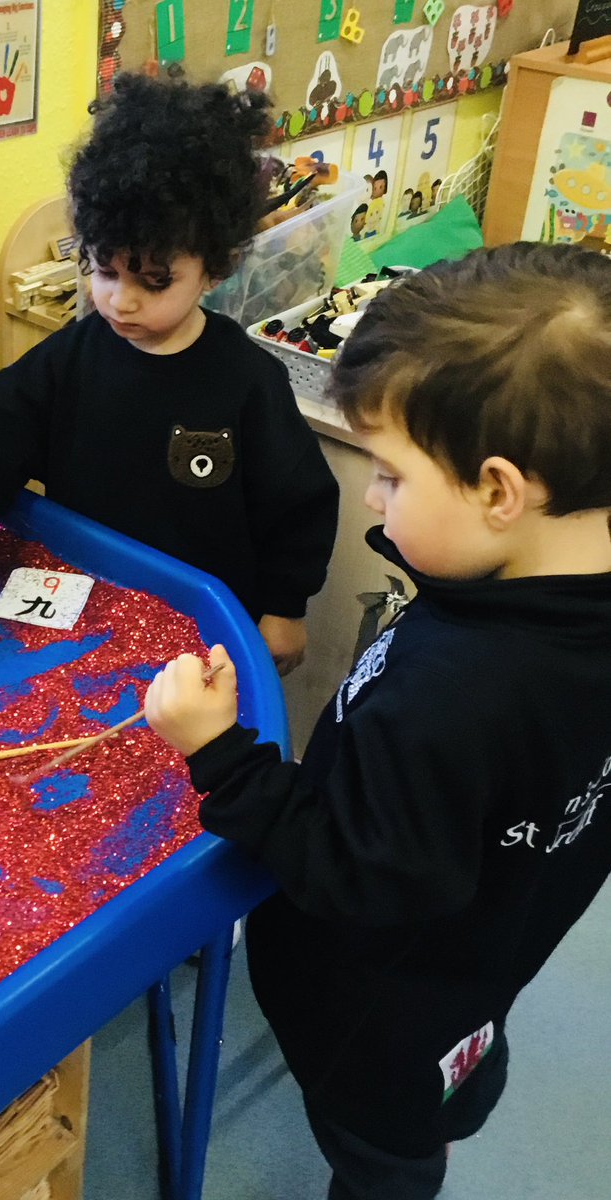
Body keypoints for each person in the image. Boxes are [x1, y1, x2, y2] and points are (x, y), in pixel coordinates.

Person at [144, 242, 611, 1199]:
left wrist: (221, 754)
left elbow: (356, 873)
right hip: (479, 963)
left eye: (391, 475)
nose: (370, 494)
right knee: (439, 1081)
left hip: (369, 1020)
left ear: (497, 492)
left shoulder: (452, 697)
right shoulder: (539, 597)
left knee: (386, 1158)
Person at [0, 74, 339, 674]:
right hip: (83, 616)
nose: (120, 301)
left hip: (201, 635)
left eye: (154, 281)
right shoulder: (73, 357)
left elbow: (299, 506)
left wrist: (283, 610)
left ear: (214, 271)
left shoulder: (248, 382)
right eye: (104, 269)